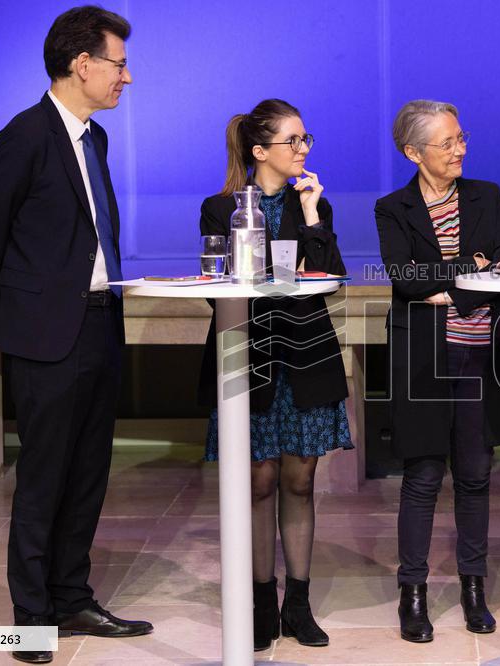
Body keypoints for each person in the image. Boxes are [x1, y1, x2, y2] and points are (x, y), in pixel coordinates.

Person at [0, 6, 152, 664]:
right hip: (46, 332)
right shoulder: (24, 136)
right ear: (83, 64)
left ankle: (73, 596)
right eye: (119, 63)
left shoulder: (93, 139)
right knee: (44, 476)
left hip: (99, 322)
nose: (127, 77)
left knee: (89, 472)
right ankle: (31, 617)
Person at [198, 98, 352, 651]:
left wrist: (312, 214)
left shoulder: (313, 203)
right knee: (259, 480)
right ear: (260, 150)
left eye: (307, 139)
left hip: (305, 353)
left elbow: (330, 276)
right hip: (249, 355)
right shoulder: (221, 210)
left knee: (300, 479)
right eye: (294, 141)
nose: (304, 150)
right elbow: (222, 285)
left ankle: (299, 603)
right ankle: (261, 599)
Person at [375, 100, 500, 643]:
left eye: (461, 138)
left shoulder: (488, 195)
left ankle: (473, 588)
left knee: (476, 476)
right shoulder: (393, 208)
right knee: (421, 478)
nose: (459, 149)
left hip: (483, 354)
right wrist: (473, 269)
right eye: (447, 143)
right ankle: (412, 594)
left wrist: (449, 286)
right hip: (424, 359)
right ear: (414, 153)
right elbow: (405, 276)